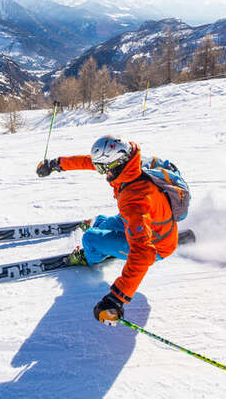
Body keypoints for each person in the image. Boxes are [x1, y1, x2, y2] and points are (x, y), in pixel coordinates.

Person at [36, 135, 185, 326]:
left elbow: (142, 253)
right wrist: (56, 164)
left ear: (113, 165)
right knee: (100, 223)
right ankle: (105, 241)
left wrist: (116, 299)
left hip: (156, 245)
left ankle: (88, 257)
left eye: (101, 169)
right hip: (156, 223)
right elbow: (89, 162)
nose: (99, 171)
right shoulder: (132, 164)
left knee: (90, 238)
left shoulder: (134, 200)